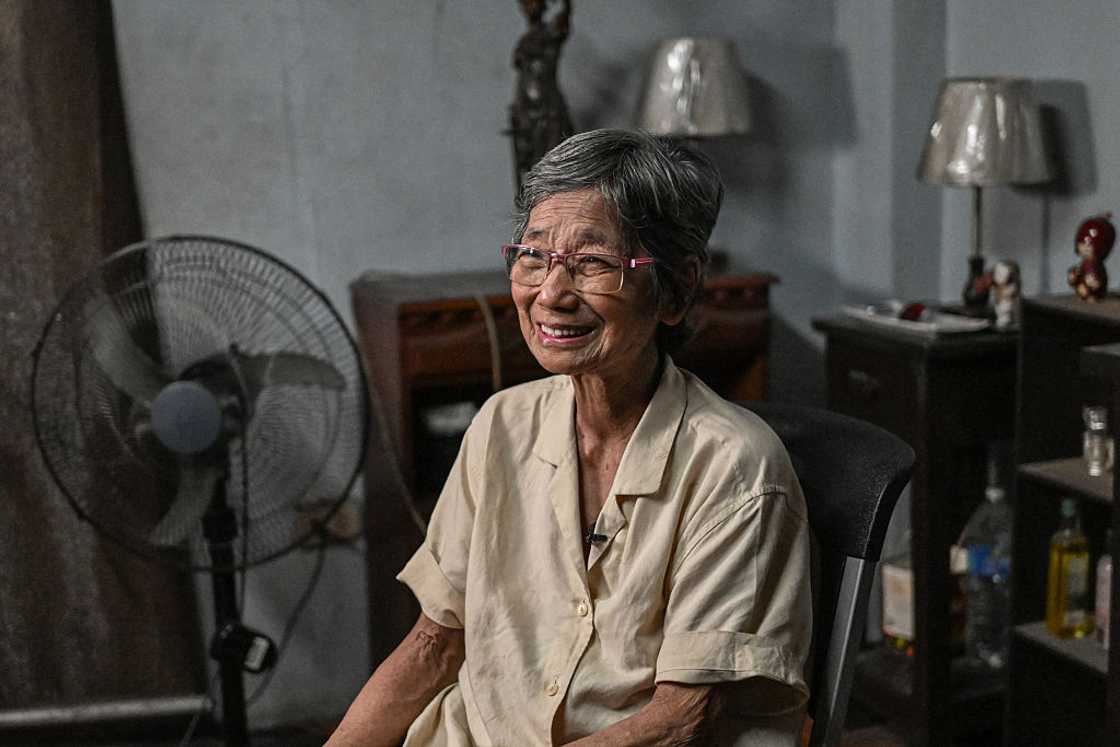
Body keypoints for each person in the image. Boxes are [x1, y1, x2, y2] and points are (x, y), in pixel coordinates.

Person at [328, 129, 812, 746]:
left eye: (593, 262)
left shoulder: (735, 469)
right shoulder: (501, 426)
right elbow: (433, 645)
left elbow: (680, 722)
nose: (550, 294)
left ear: (677, 289)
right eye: (533, 256)